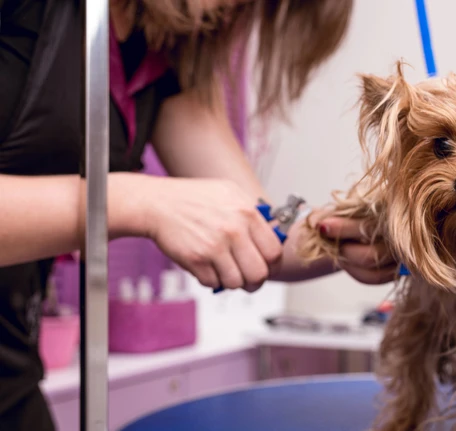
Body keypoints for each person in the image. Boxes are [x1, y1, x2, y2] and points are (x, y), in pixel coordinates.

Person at [0, 0, 397, 429]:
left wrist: (357, 233)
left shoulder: (160, 54)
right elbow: (151, 205)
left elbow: (260, 230)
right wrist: (138, 202)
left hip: (11, 375)